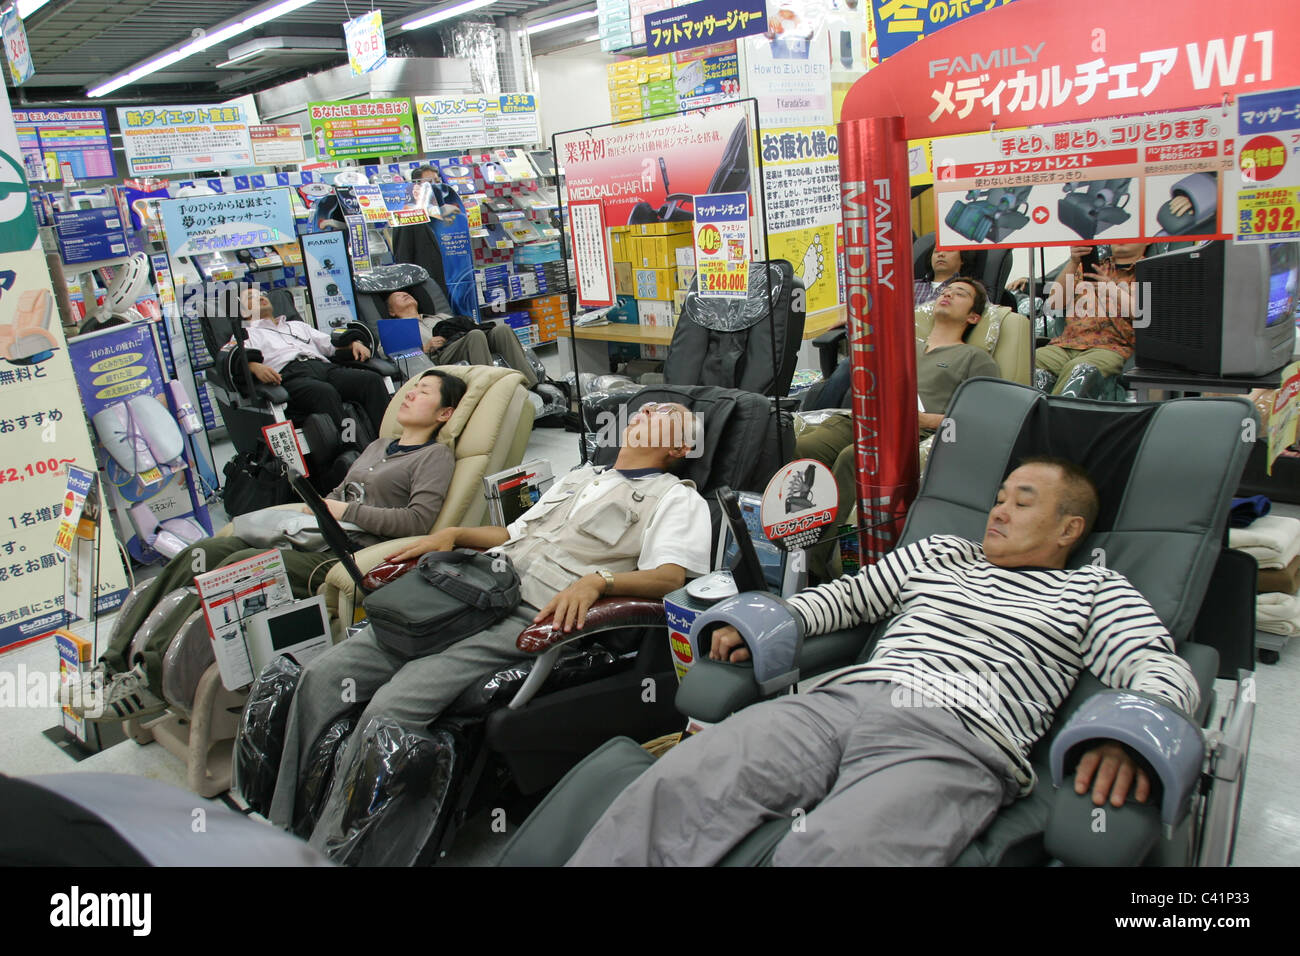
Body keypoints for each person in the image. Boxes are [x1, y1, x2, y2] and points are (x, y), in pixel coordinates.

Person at [567, 457, 1200, 866]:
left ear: (1070, 529)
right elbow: (844, 600)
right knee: (681, 785)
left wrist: (1131, 739)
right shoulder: (943, 554)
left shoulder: (1095, 592)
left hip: (956, 738)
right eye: (999, 496)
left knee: (837, 854)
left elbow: (1160, 668)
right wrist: (765, 621)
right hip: (840, 703)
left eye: (1023, 502)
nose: (999, 510)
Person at [258, 400, 712, 854]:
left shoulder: (677, 498)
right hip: (468, 591)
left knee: (391, 708)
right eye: (643, 407)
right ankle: (280, 824)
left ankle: (328, 853)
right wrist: (455, 535)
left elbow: (671, 577)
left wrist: (599, 580)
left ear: (677, 446)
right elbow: (515, 534)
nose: (642, 411)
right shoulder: (581, 476)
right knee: (322, 677)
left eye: (660, 413)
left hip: (529, 614)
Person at [70, 370, 464, 721]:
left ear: (444, 414)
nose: (410, 393)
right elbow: (339, 493)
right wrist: (313, 505)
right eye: (413, 387)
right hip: (315, 532)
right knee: (202, 554)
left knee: (239, 564)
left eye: (425, 391)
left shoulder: (434, 457)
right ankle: (112, 662)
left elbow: (417, 522)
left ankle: (147, 678)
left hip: (347, 553)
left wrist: (346, 509)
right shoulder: (379, 446)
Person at [797, 277, 1001, 579]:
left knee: (854, 458)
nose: (948, 294)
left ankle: (815, 565)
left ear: (973, 317)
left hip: (913, 430)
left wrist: (922, 419)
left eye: (960, 294)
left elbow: (984, 418)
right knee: (800, 446)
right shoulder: (903, 347)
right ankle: (779, 542)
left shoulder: (974, 358)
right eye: (946, 290)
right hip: (865, 417)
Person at [809, 247, 977, 411]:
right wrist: (855, 317)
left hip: (927, 350)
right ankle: (814, 418)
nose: (940, 254)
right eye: (936, 251)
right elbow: (876, 314)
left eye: (948, 250)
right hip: (889, 347)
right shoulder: (905, 286)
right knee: (855, 362)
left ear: (962, 259)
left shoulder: (964, 294)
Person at [239, 289, 391, 436]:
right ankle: (351, 447)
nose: (260, 297)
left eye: (262, 294)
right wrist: (253, 365)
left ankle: (391, 439)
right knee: (324, 392)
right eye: (251, 297)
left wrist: (352, 344)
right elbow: (234, 358)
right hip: (291, 376)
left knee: (371, 380)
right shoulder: (246, 335)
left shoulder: (297, 326)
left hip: (324, 367)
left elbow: (330, 345)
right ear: (244, 312)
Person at [1033, 243, 1149, 395]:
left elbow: (1145, 314)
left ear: (1146, 240)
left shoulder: (1149, 271)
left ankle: (1050, 416)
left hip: (1109, 348)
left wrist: (1112, 289)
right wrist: (1073, 262)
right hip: (1067, 344)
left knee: (1079, 369)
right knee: (1026, 361)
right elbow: (1055, 302)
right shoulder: (1089, 268)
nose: (1122, 238)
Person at [385, 289, 539, 388]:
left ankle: (532, 386)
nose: (405, 294)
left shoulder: (440, 317)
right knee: (475, 336)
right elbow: (393, 356)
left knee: (501, 330)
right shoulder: (395, 330)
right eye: (398, 296)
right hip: (437, 358)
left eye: (407, 293)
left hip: (466, 342)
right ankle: (492, 390)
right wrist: (423, 348)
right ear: (391, 311)